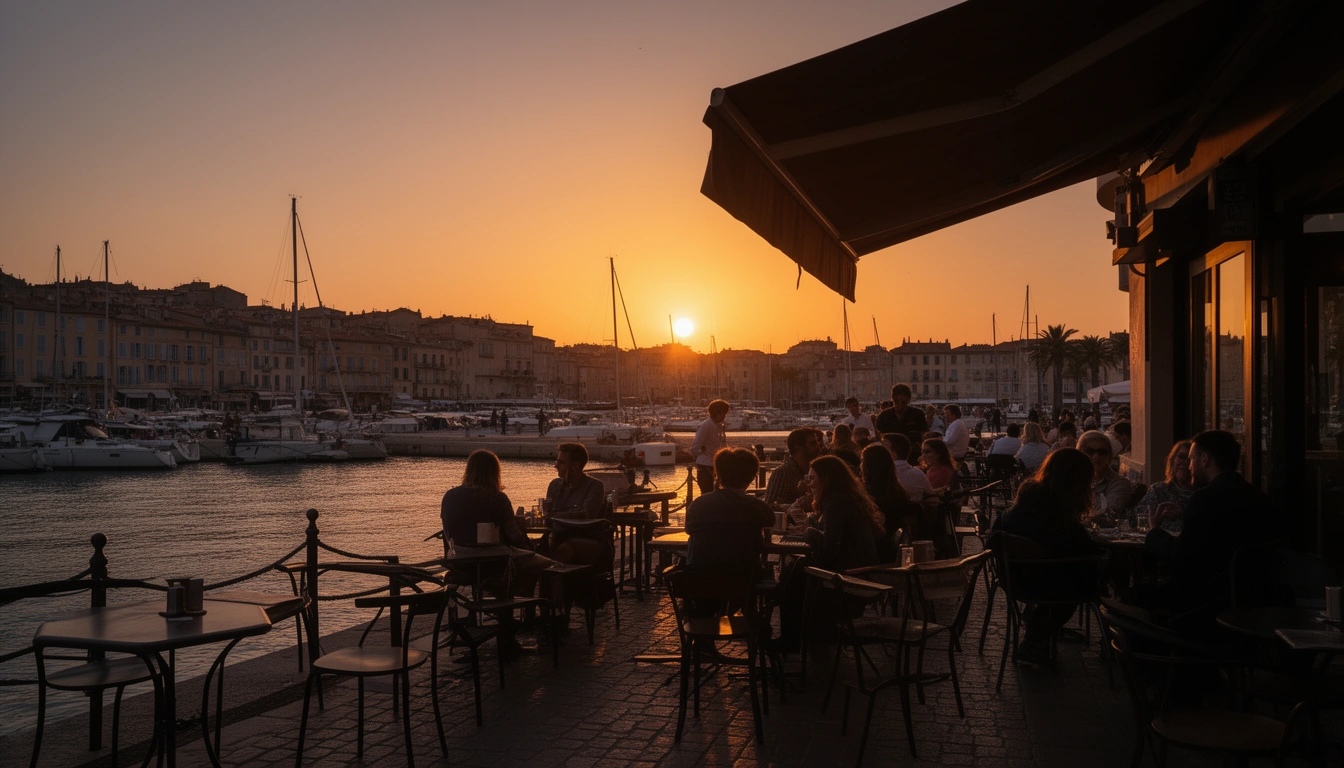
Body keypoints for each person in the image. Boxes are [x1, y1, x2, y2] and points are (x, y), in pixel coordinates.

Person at [1148, 430, 1276, 617]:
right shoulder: (1257, 497)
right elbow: (1227, 530)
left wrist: (1154, 533)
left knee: (1140, 596)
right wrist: (1186, 514)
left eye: (1191, 459)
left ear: (1204, 460)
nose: (1189, 466)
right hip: (1251, 600)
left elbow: (1184, 555)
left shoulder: (1204, 499)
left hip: (1202, 606)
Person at [441, 450, 555, 658]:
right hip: (493, 564)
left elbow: (448, 531)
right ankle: (538, 621)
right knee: (548, 566)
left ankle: (510, 621)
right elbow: (513, 537)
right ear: (495, 473)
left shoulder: (450, 496)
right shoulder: (497, 498)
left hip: (460, 564)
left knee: (520, 573)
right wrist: (528, 545)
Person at [990, 448, 1101, 661]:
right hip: (1045, 584)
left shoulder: (1024, 504)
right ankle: (1035, 637)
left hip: (1012, 579)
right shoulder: (1058, 518)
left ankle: (1036, 633)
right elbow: (1084, 550)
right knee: (1084, 582)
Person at [685, 448, 774, 571]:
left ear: (718, 474)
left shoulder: (697, 506)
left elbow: (689, 529)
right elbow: (771, 521)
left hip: (701, 580)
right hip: (743, 579)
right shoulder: (758, 507)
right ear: (752, 478)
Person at [801, 455, 881, 572]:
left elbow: (829, 550)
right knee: (799, 565)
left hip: (853, 573)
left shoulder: (836, 503)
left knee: (800, 565)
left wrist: (808, 531)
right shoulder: (846, 498)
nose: (809, 484)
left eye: (812, 479)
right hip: (860, 565)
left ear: (825, 479)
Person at [860, 443, 915, 560]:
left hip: (875, 547)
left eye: (862, 461)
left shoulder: (868, 494)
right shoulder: (898, 491)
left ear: (868, 466)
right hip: (891, 545)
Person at [1137, 440, 1195, 533]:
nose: (1185, 462)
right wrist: (1155, 519)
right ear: (1172, 460)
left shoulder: (1205, 493)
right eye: (1181, 457)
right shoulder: (1158, 490)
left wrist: (1184, 514)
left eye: (1190, 459)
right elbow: (1138, 518)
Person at [1077, 430, 1133, 518]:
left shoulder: (1119, 483)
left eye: (1102, 452)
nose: (1096, 456)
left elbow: (1108, 514)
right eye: (1090, 451)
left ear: (1109, 456)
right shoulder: (1073, 481)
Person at [545, 442, 606, 519]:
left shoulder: (595, 486)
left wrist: (556, 515)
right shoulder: (554, 485)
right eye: (557, 461)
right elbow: (548, 513)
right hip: (557, 530)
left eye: (561, 462)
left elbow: (587, 514)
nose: (556, 466)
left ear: (576, 465)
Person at [764, 427, 824, 506]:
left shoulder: (816, 472)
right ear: (797, 447)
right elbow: (771, 507)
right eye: (813, 443)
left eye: (817, 443)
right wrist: (798, 506)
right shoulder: (783, 473)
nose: (818, 447)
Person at [874, 384, 928, 463]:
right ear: (892, 399)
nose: (900, 406)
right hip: (891, 456)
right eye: (896, 402)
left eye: (903, 402)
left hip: (913, 455)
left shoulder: (918, 414)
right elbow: (879, 437)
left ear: (909, 400)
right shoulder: (884, 416)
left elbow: (924, 434)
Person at [691, 399, 730, 494]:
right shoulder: (706, 425)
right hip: (705, 466)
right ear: (717, 413)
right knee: (707, 493)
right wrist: (704, 453)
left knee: (716, 494)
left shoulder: (718, 426)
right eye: (723, 414)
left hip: (714, 465)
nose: (724, 416)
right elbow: (696, 446)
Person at [884, 433, 935, 502]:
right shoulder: (918, 474)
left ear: (893, 455)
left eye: (883, 450)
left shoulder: (883, 474)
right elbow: (932, 497)